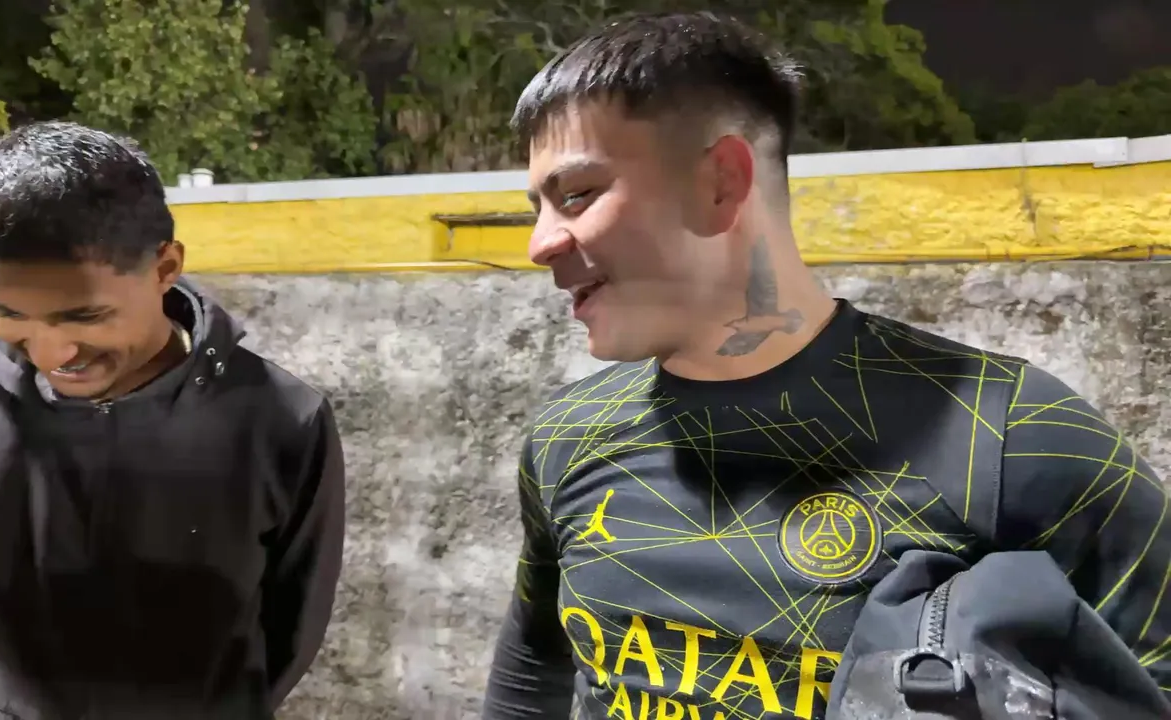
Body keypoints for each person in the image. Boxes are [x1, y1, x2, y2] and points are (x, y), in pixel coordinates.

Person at [482, 11, 1171, 720]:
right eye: (537, 208)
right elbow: (533, 669)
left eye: (577, 195)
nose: (540, 244)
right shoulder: (566, 435)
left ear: (720, 181)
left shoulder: (1015, 429)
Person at [0, 121, 346, 719]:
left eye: (85, 316)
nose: (52, 352)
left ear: (164, 267)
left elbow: (292, 623)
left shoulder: (282, 420)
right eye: (11, 314)